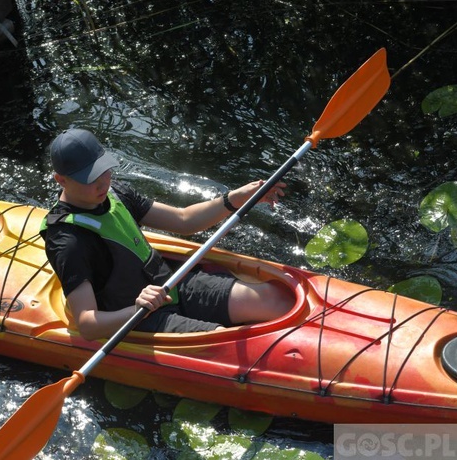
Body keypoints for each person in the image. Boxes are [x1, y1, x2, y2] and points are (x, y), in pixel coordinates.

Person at [40, 129, 295, 341]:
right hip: (137, 317)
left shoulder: (115, 192)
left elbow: (183, 220)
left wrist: (235, 199)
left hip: (170, 284)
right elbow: (88, 325)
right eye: (89, 178)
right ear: (60, 180)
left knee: (274, 300)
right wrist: (139, 309)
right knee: (222, 339)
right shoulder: (67, 241)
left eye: (103, 170)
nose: (102, 182)